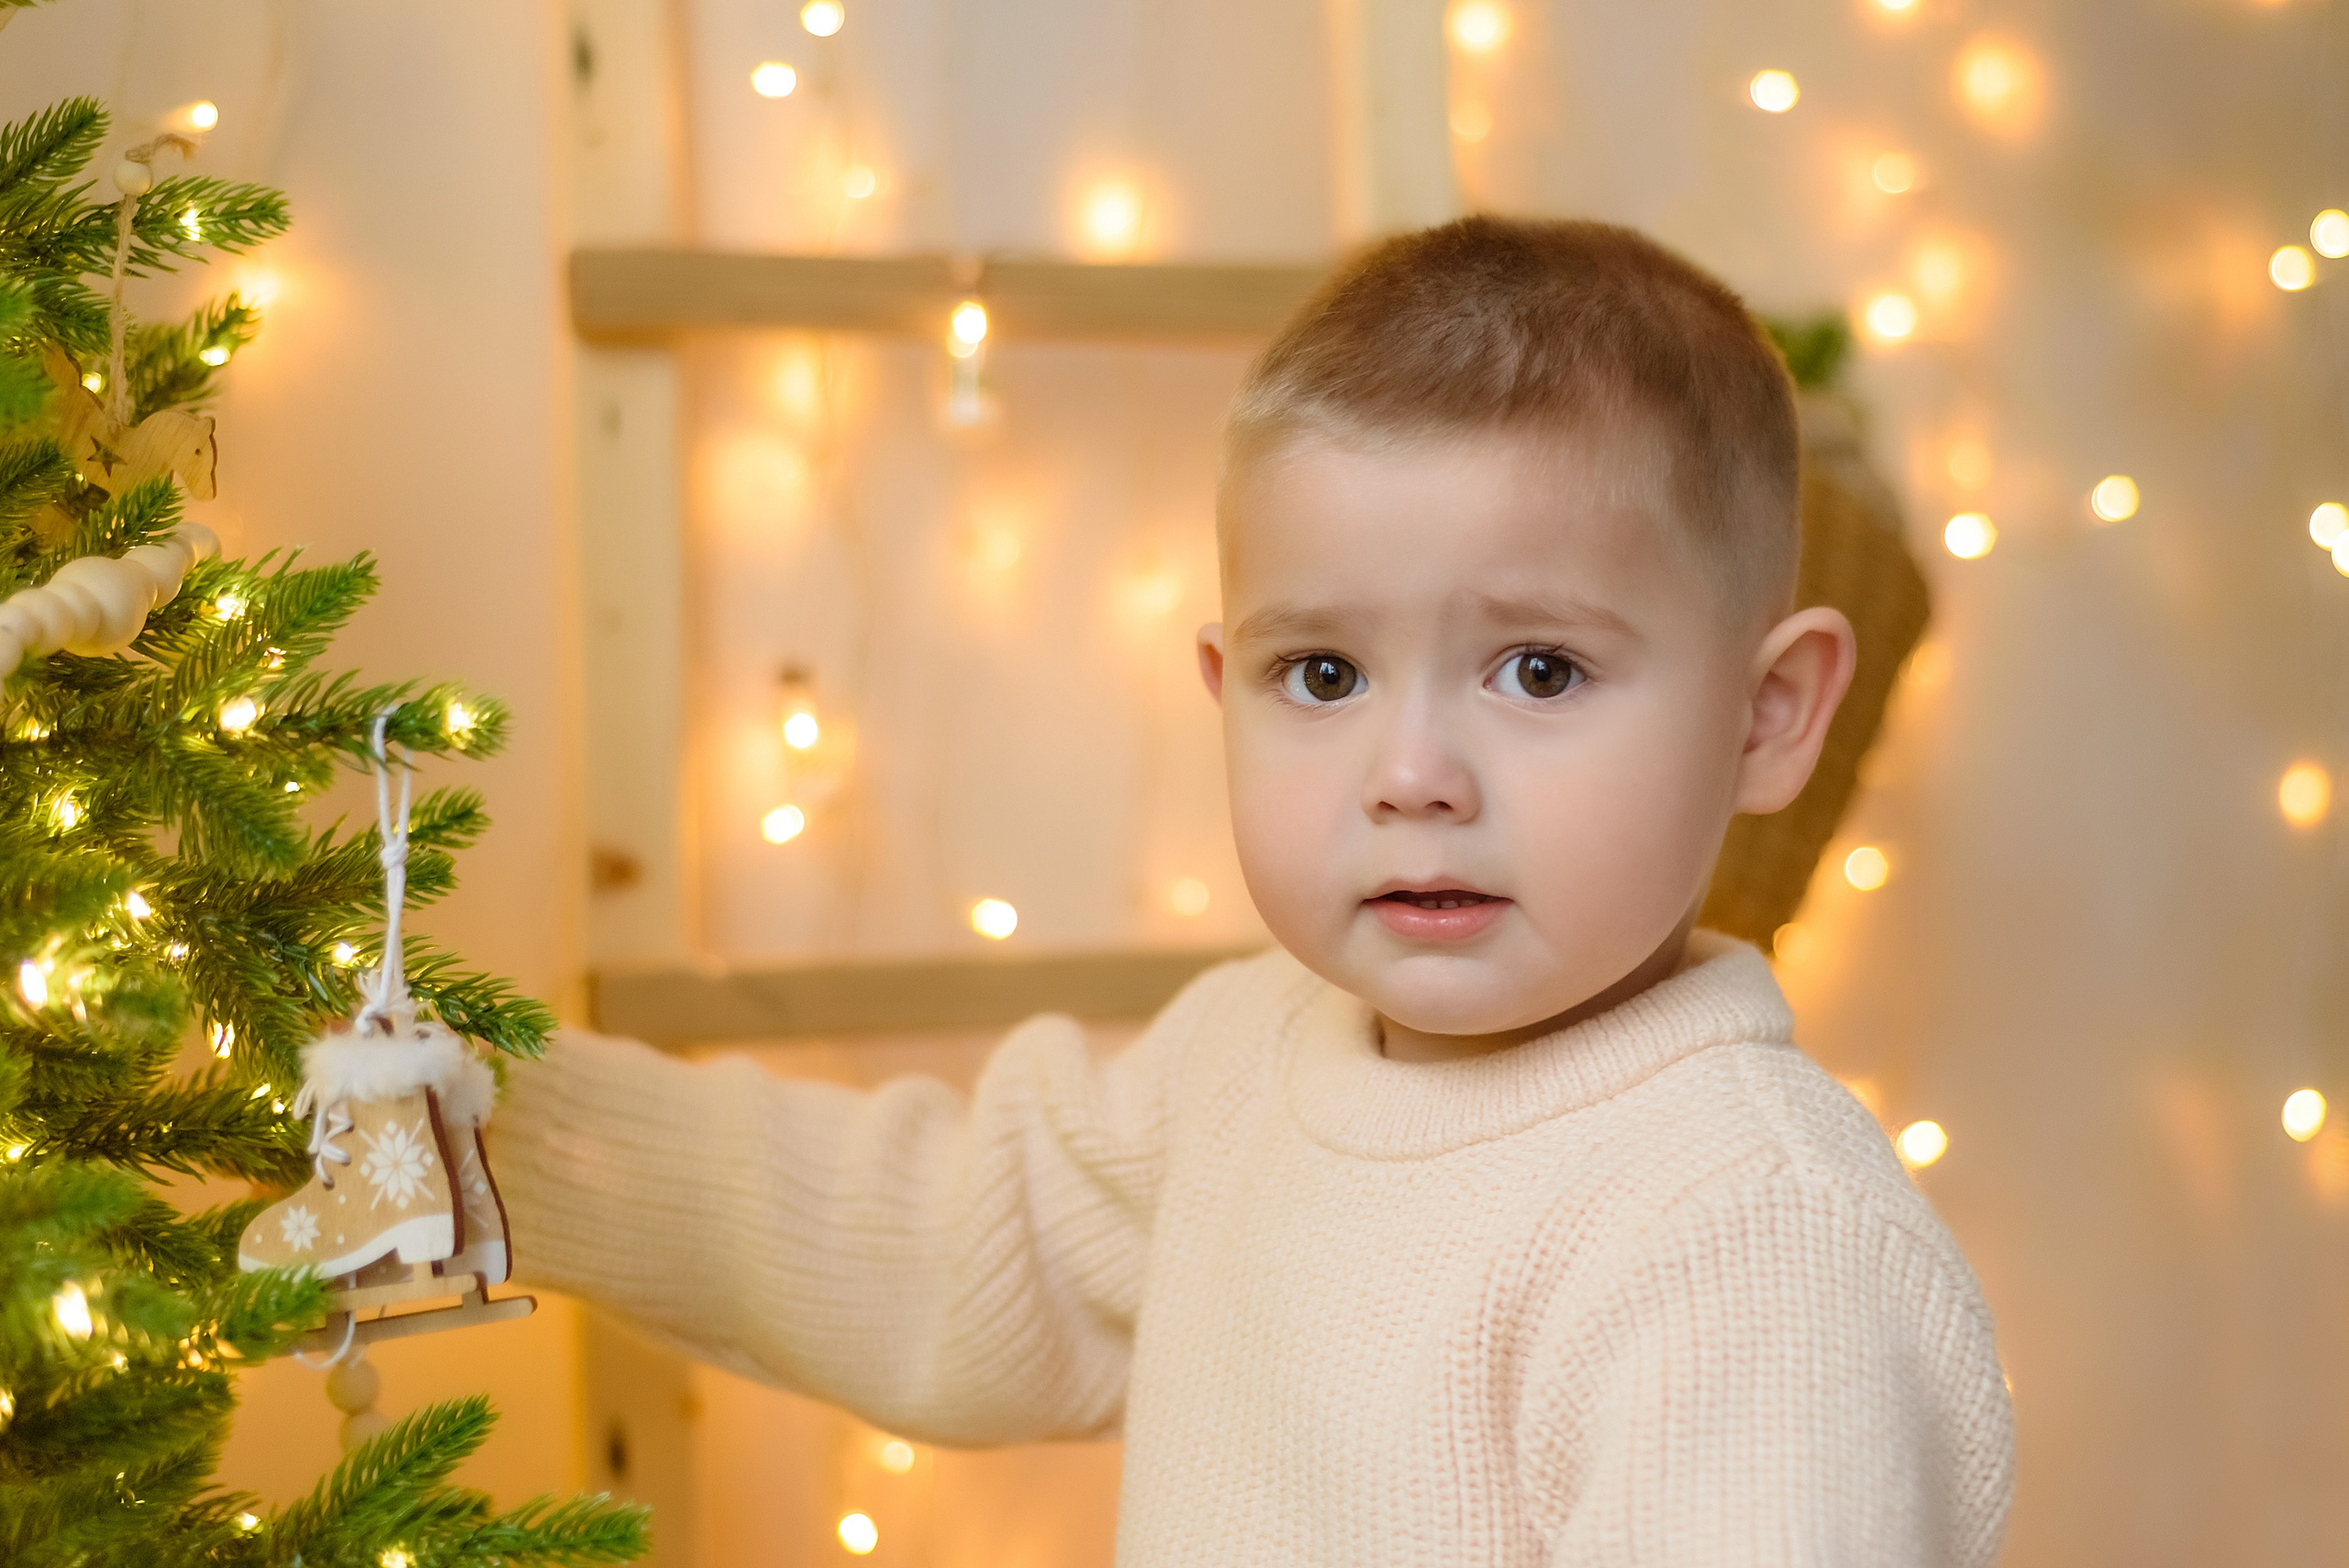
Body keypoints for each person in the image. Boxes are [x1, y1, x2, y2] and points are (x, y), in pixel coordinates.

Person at [491, 216, 2014, 1565]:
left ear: (1767, 715)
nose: (1411, 771)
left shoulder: (1744, 1236)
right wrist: (474, 1122)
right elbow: (934, 1241)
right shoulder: (1242, 1061)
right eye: (1325, 672)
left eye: (1539, 668)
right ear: (1226, 688)